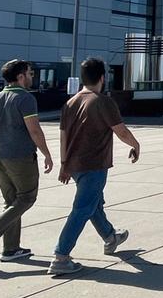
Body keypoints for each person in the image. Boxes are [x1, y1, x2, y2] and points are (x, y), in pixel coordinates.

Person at [49, 57, 141, 276]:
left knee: (94, 204)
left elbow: (63, 136)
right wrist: (135, 145)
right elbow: (121, 131)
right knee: (82, 209)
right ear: (102, 78)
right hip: (94, 164)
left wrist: (64, 164)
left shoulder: (70, 103)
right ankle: (61, 256)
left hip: (75, 165)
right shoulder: (103, 101)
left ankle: (110, 237)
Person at [0, 59, 54, 264]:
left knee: (12, 202)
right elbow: (34, 130)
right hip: (20, 157)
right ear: (20, 76)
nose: (32, 77)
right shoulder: (25, 98)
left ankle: (11, 249)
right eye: (30, 73)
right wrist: (47, 154)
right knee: (26, 199)